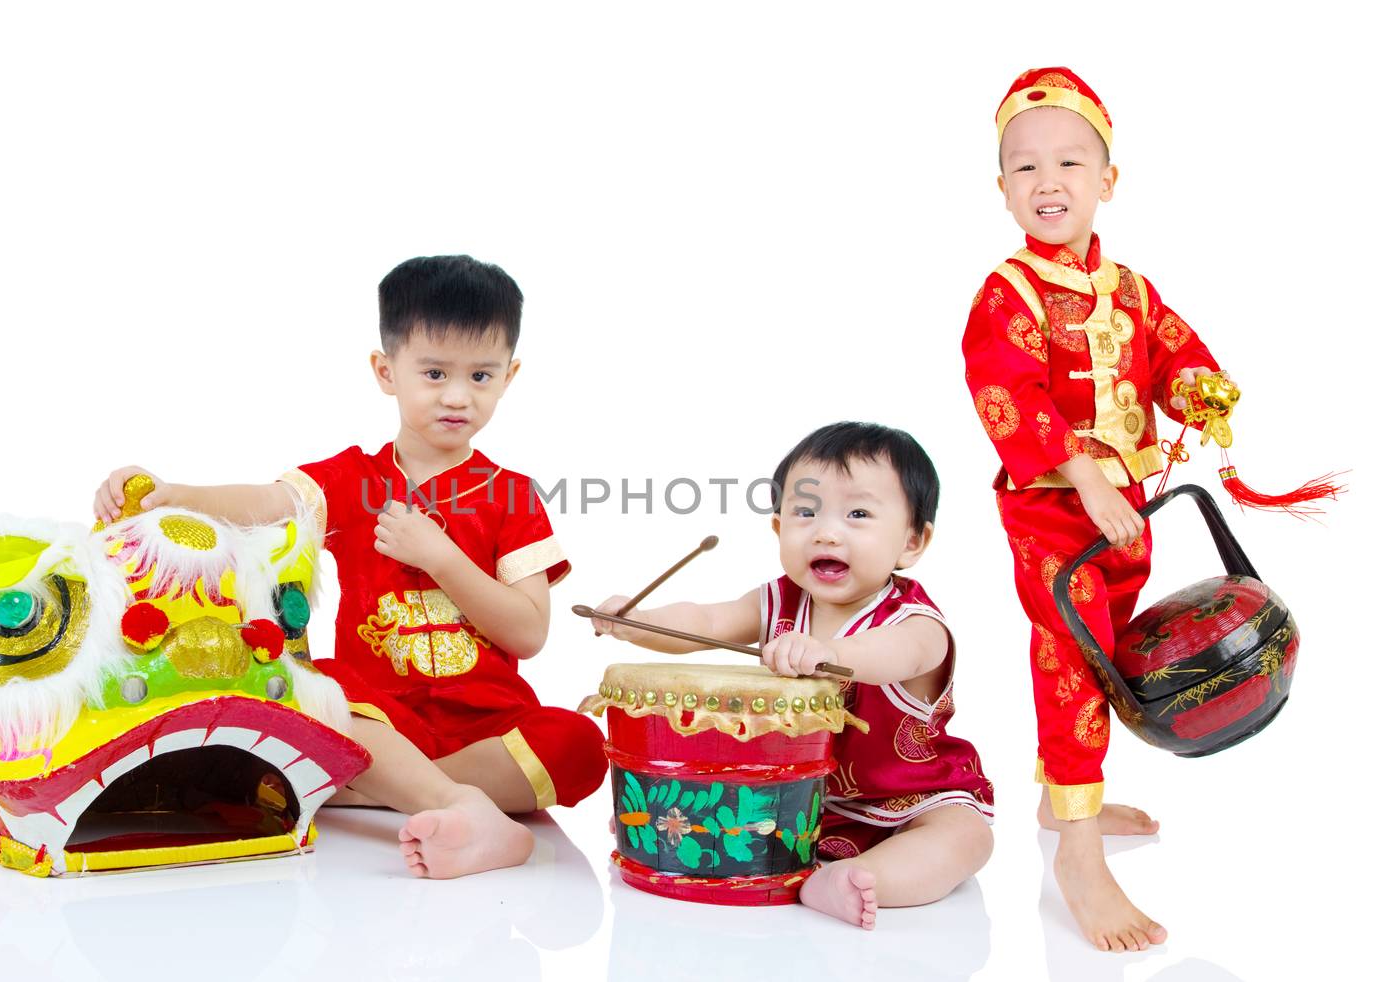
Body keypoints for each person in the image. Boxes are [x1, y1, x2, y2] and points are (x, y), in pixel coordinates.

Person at [94, 254, 607, 875]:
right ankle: (457, 806)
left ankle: (375, 790)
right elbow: (264, 504)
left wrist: (441, 558)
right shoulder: (354, 478)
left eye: (481, 375)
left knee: (580, 744)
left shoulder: (514, 495)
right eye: (435, 371)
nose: (456, 395)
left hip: (489, 726)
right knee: (319, 689)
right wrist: (178, 494)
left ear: (510, 376)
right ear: (386, 371)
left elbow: (527, 632)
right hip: (380, 716)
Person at [963, 67, 1225, 951]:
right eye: (1025, 168)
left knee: (1106, 647)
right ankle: (1075, 847)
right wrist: (1082, 476)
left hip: (1130, 505)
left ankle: (1062, 792)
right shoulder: (1010, 293)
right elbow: (1006, 389)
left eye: (1070, 162)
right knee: (1073, 658)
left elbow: (1171, 354)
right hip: (1055, 509)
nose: (1048, 182)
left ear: (1106, 181)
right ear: (1002, 190)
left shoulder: (1129, 289)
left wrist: (1200, 392)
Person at [592, 422, 993, 930]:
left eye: (859, 514)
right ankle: (672, 833)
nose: (826, 531)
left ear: (912, 542)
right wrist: (637, 623)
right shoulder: (779, 600)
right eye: (806, 513)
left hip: (913, 800)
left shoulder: (914, 624)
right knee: (725, 791)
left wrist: (826, 650)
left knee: (965, 836)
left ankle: (859, 877)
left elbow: (903, 655)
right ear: (780, 529)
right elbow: (707, 621)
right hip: (799, 805)